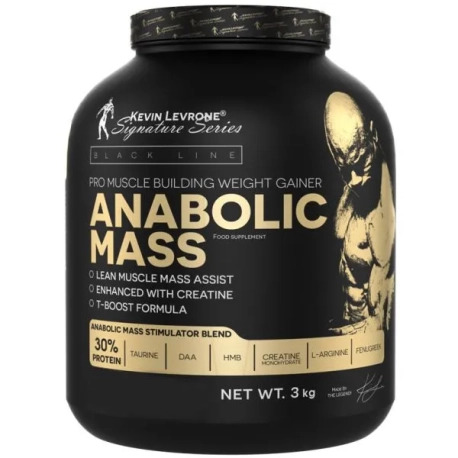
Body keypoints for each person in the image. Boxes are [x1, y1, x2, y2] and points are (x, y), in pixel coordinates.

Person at [324, 92, 395, 334]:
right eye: (345, 169)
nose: (353, 179)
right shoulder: (354, 190)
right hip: (347, 324)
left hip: (363, 337)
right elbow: (337, 231)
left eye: (359, 162)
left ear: (372, 134)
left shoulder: (382, 212)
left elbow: (379, 314)